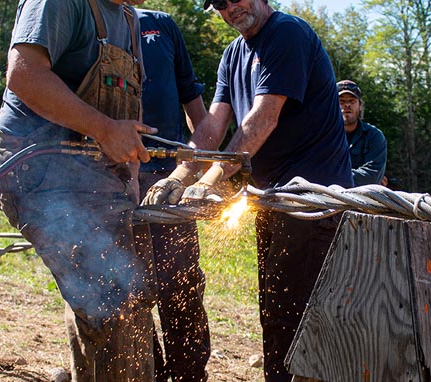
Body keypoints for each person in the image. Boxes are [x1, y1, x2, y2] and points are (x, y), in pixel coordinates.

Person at [143, 0, 353, 380]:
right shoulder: (233, 54)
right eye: (219, 4)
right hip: (273, 199)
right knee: (274, 311)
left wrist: (211, 181)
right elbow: (213, 125)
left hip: (313, 202)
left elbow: (262, 118)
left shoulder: (287, 33)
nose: (229, 8)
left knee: (293, 315)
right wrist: (180, 175)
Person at [0, 0, 159, 380]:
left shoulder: (129, 20)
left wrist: (130, 175)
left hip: (98, 177)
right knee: (114, 298)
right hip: (41, 168)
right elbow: (24, 74)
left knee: (121, 300)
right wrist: (102, 129)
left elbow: (128, 112)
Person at [136, 9, 210, 382]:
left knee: (181, 283)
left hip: (170, 180)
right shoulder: (84, 20)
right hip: (112, 178)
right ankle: (147, 371)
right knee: (126, 285)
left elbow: (194, 105)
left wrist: (208, 167)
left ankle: (189, 374)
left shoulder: (161, 25)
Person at [337, 79, 387, 186]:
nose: (347, 105)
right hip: (324, 198)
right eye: (341, 101)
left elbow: (373, 175)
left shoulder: (374, 136)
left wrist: (334, 176)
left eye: (352, 101)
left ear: (360, 105)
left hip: (363, 199)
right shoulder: (322, 136)